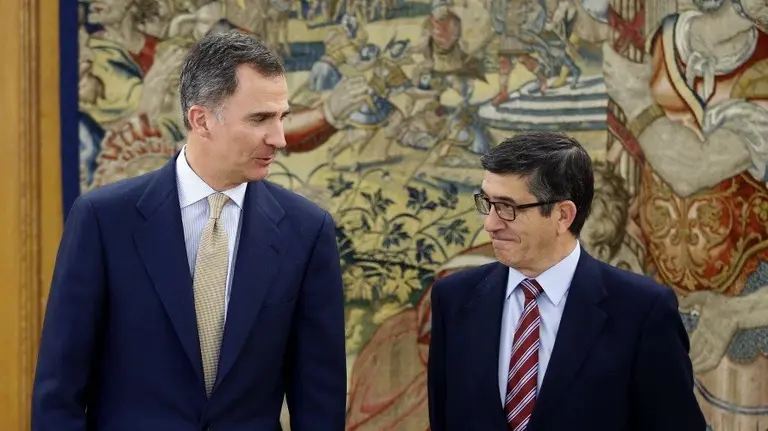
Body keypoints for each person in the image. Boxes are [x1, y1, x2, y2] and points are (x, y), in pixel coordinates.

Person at [32, 30, 348, 431]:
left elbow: (319, 401)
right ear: (201, 120)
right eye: (260, 119)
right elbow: (59, 393)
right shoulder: (102, 220)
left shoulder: (308, 231)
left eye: (282, 116)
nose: (279, 138)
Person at [426, 131, 706, 430]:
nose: (490, 224)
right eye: (488, 203)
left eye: (507, 207)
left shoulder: (643, 311)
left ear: (563, 215)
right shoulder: (453, 298)